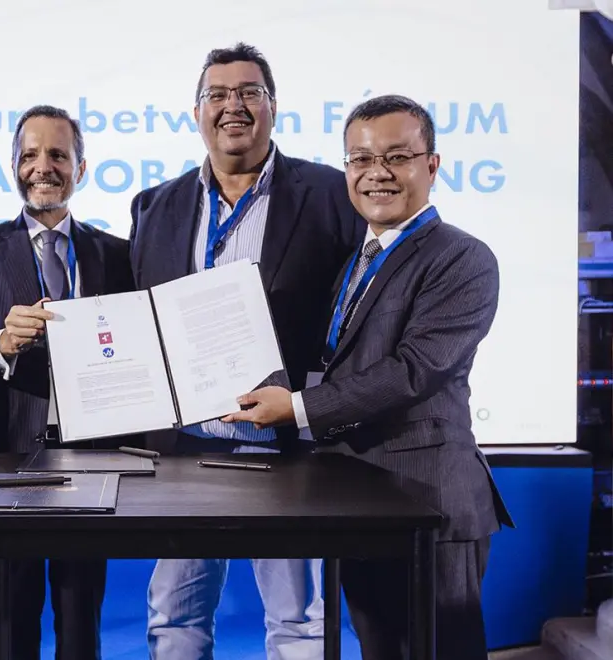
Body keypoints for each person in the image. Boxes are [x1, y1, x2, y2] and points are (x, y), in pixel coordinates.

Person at [222, 94, 515, 660]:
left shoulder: (462, 259)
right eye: (359, 160)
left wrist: (297, 407)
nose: (376, 174)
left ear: (431, 166)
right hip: (360, 497)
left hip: (431, 499)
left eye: (396, 157)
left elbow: (412, 372)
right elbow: (330, 359)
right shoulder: (354, 260)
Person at [128, 43, 363, 660]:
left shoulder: (333, 194)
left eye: (249, 92)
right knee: (173, 616)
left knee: (299, 621)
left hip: (289, 449)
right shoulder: (155, 206)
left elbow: (355, 317)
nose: (233, 106)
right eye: (218, 94)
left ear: (273, 106)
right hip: (186, 451)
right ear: (196, 111)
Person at [0, 104, 136, 660]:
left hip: (95, 462)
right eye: (29, 155)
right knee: (12, 624)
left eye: (58, 154)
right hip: (7, 460)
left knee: (82, 621)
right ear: (12, 165)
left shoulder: (118, 255)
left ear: (81, 168)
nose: (43, 166)